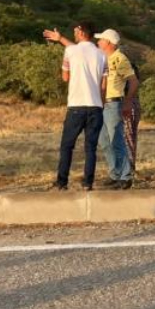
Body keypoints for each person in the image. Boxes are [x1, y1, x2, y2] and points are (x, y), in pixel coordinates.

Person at [43, 23, 107, 190]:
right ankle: (88, 183)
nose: (74, 34)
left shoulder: (70, 51)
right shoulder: (102, 55)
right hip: (96, 106)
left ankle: (62, 182)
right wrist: (102, 103)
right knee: (90, 147)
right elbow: (103, 84)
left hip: (76, 106)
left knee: (67, 146)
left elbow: (65, 77)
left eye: (75, 32)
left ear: (80, 32)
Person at [95, 29, 136, 189]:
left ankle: (125, 176)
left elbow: (133, 81)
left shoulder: (119, 59)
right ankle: (115, 173)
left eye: (101, 40)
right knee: (104, 141)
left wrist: (127, 102)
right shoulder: (102, 59)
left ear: (109, 43)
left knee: (116, 140)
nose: (98, 42)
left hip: (113, 103)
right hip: (101, 104)